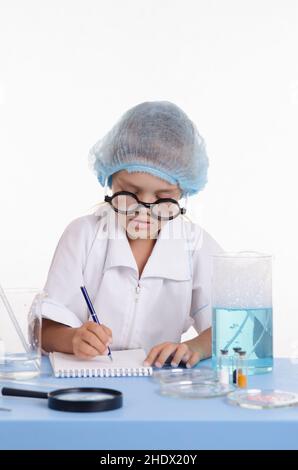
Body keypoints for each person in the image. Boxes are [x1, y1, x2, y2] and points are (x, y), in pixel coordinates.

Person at [41, 101, 223, 368]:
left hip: (159, 385)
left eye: (163, 198)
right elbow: (44, 330)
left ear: (183, 194)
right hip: (91, 382)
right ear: (110, 180)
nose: (143, 211)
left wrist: (191, 347)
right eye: (130, 192)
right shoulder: (82, 236)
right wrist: (73, 339)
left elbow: (230, 326)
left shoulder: (195, 245)